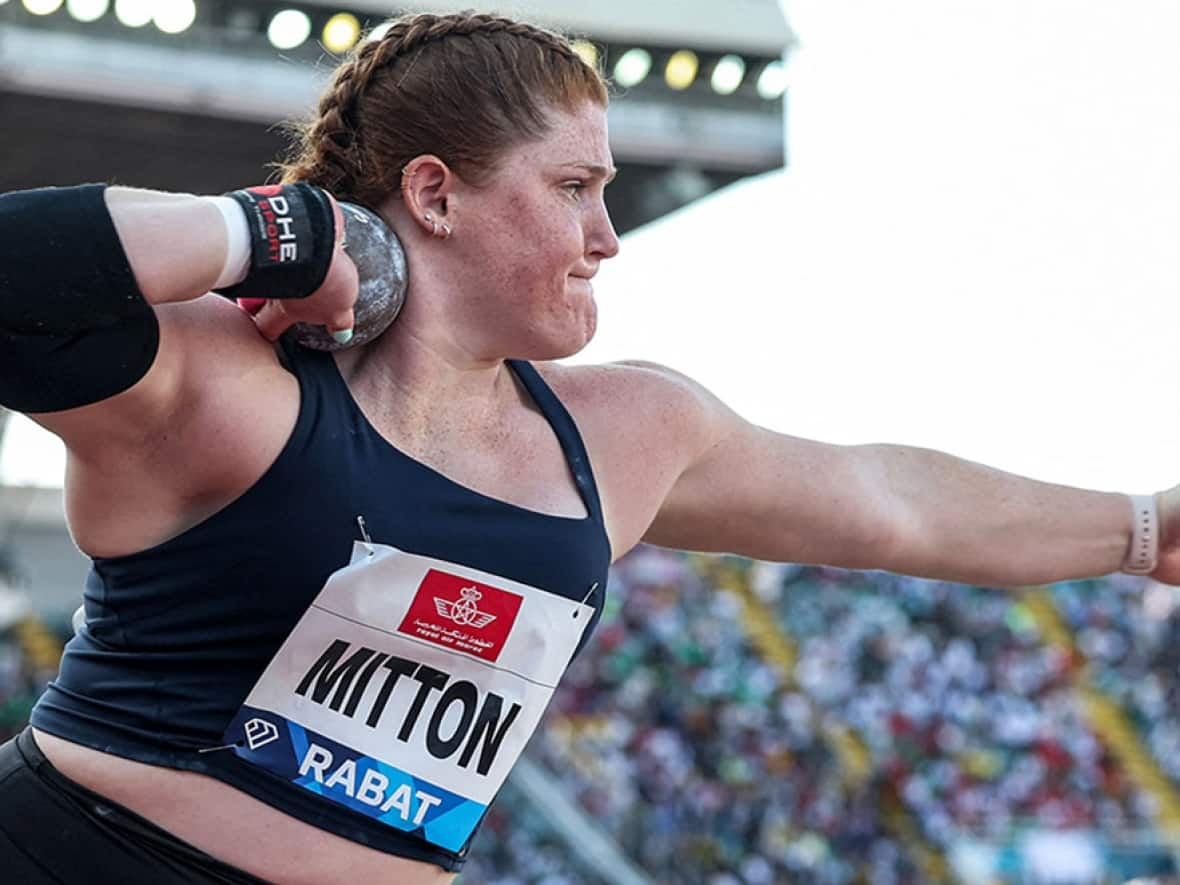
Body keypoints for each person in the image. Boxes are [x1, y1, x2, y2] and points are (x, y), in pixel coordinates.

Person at [0, 9, 1176, 884]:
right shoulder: (226, 385)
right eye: (574, 187)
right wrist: (264, 233)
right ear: (436, 193)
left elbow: (888, 502)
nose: (607, 236)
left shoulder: (625, 436)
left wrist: (1138, 528)